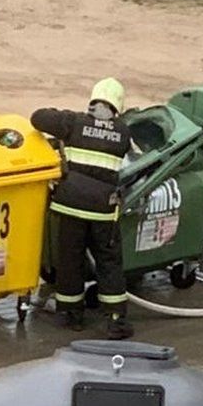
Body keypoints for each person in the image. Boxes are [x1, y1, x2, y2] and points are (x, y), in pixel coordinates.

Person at [31, 78, 134, 340]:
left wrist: (63, 115)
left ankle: (70, 314)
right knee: (109, 263)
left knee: (70, 260)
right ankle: (115, 321)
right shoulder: (123, 132)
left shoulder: (74, 122)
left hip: (71, 206)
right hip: (103, 211)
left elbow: (37, 117)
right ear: (117, 106)